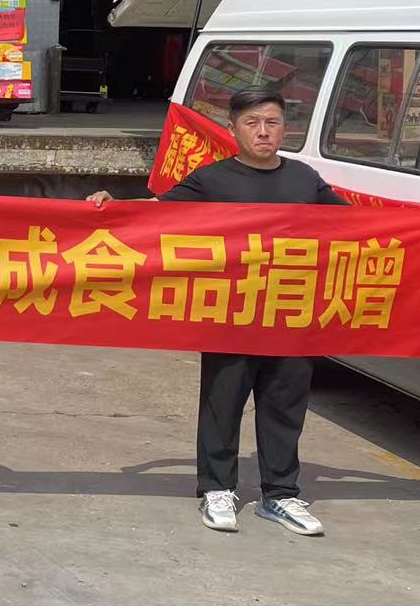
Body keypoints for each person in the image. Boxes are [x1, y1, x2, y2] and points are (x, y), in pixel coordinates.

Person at [90, 86, 343, 537]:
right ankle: (217, 488)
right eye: (252, 123)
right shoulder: (212, 179)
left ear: (285, 128)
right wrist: (111, 206)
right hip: (231, 313)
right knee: (222, 403)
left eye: (272, 122)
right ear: (233, 129)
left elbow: (362, 227)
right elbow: (154, 214)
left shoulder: (305, 180)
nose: (263, 132)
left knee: (285, 405)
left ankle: (280, 494)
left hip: (289, 312)